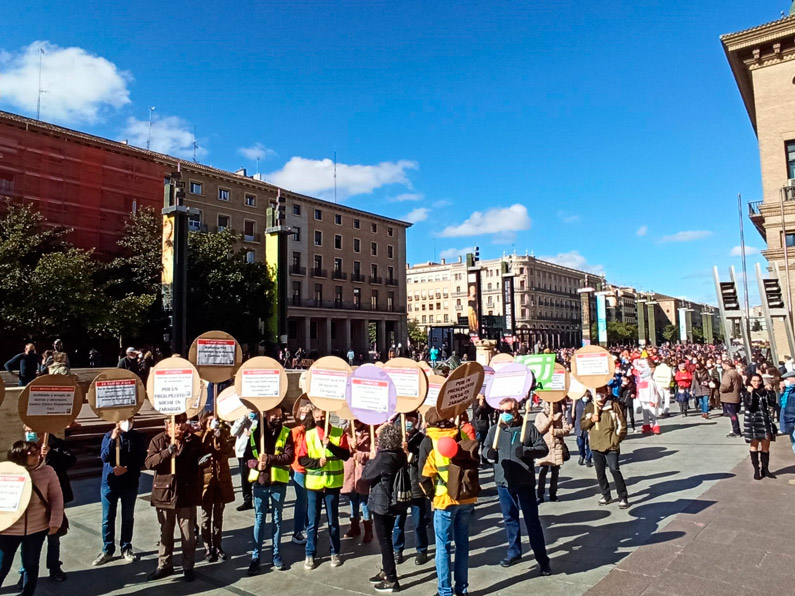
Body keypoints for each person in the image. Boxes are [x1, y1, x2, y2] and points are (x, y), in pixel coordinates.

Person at [483, 398, 552, 575]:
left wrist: (527, 451)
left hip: (524, 482)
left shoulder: (527, 428)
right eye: (502, 410)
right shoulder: (494, 430)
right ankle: (514, 552)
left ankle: (542, 560)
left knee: (532, 522)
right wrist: (488, 453)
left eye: (509, 410)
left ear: (517, 410)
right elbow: (485, 449)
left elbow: (543, 448)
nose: (505, 414)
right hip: (503, 481)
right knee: (510, 519)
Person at [419, 407, 479, 596]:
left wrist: (432, 497)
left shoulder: (429, 441)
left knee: (443, 547)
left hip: (444, 501)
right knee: (462, 545)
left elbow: (423, 477)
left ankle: (445, 591)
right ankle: (462, 589)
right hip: (466, 497)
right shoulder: (460, 433)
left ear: (429, 423)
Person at [145, 414, 204, 582]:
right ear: (167, 425)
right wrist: (167, 452)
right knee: (166, 533)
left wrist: (203, 461)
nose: (179, 426)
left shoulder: (192, 440)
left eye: (182, 422)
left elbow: (202, 457)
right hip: (165, 495)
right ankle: (164, 565)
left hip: (186, 494)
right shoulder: (158, 440)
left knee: (188, 535)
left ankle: (188, 566)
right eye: (175, 422)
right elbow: (149, 463)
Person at [0, 441, 63, 596]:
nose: (37, 456)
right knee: (2, 566)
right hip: (9, 529)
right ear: (19, 455)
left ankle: (27, 593)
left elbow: (56, 498)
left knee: (31, 564)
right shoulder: (6, 472)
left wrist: (55, 522)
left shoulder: (48, 471)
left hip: (37, 528)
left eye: (37, 453)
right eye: (32, 454)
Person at [297, 408, 351, 569]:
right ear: (313, 417)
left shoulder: (338, 433)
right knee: (312, 522)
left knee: (333, 521)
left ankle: (335, 552)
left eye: (323, 415)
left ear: (328, 415)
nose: (320, 418)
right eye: (317, 416)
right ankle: (310, 554)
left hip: (332, 484)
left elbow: (345, 455)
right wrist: (316, 464)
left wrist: (331, 445)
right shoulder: (309, 434)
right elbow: (301, 459)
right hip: (314, 485)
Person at [19, 426, 74, 583]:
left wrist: (51, 453)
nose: (30, 431)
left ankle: (54, 567)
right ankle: (25, 571)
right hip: (30, 502)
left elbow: (71, 460)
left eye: (32, 428)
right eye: (27, 428)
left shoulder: (57, 444)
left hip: (52, 499)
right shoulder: (22, 447)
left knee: (54, 537)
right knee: (27, 540)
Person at [246, 406, 295, 575]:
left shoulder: (286, 432)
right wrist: (256, 464)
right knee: (259, 520)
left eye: (280, 414)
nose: (278, 417)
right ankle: (256, 557)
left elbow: (289, 457)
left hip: (278, 484)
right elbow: (247, 457)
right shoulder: (255, 432)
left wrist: (270, 459)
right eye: (274, 414)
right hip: (260, 483)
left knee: (277, 519)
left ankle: (276, 554)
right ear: (266, 414)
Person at [92, 418, 148, 566]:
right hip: (110, 483)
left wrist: (128, 468)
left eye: (130, 419)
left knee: (128, 517)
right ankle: (107, 549)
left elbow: (142, 458)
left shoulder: (137, 437)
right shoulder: (108, 436)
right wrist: (112, 439)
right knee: (107, 518)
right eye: (124, 420)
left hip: (129, 482)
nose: (128, 422)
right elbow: (104, 456)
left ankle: (126, 547)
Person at [363, 424, 410, 593]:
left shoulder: (383, 457)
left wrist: (370, 458)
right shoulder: (400, 454)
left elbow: (366, 476)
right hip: (395, 502)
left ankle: (391, 578)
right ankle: (386, 569)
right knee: (387, 538)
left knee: (384, 541)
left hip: (382, 504)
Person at [392, 412, 430, 565]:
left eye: (411, 419)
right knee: (398, 522)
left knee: (419, 521)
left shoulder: (422, 439)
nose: (408, 422)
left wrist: (410, 453)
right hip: (400, 485)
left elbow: (423, 461)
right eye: (405, 419)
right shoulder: (395, 438)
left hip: (415, 485)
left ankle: (421, 550)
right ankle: (397, 549)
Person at [580, 388, 629, 509]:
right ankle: (606, 495)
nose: (599, 395)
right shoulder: (589, 407)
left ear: (607, 393)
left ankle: (623, 496)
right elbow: (582, 425)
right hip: (596, 445)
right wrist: (591, 420)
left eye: (602, 392)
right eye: (597, 393)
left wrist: (616, 439)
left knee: (614, 469)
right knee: (600, 472)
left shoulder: (613, 406)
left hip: (611, 445)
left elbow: (622, 425)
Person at [198, 411, 235, 561]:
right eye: (210, 421)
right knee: (206, 517)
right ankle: (207, 547)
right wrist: (208, 433)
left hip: (221, 481)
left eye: (215, 421)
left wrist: (219, 436)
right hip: (206, 482)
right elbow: (201, 449)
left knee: (218, 516)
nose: (213, 423)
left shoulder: (223, 434)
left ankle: (218, 545)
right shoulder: (201, 435)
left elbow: (227, 450)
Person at [342, 420, 373, 543]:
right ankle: (354, 527)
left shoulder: (370, 434)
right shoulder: (346, 434)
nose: (356, 424)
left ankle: (368, 530)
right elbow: (342, 450)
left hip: (362, 472)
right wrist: (350, 445)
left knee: (364, 502)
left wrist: (359, 455)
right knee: (352, 500)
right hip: (350, 473)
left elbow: (373, 453)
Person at [744, 374, 777, 480]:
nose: (756, 383)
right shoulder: (746, 391)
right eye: (754, 381)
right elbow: (750, 405)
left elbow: (772, 403)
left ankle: (765, 469)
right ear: (750, 381)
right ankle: (756, 470)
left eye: (758, 381)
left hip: (765, 421)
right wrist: (750, 392)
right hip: (753, 422)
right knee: (754, 445)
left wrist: (771, 391)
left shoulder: (764, 391)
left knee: (766, 445)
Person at [290, 404, 311, 545]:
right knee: (302, 501)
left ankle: (308, 528)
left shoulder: (313, 431)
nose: (302, 416)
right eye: (302, 413)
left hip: (311, 469)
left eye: (305, 413)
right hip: (299, 469)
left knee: (310, 501)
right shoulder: (296, 431)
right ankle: (297, 531)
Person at [231, 412, 257, 511]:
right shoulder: (241, 417)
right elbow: (233, 432)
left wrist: (252, 432)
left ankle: (263, 502)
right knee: (245, 477)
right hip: (243, 451)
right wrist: (243, 419)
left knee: (258, 477)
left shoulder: (260, 416)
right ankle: (247, 501)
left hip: (256, 451)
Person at [720, 360, 743, 438]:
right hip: (736, 395)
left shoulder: (728, 373)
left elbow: (725, 385)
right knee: (734, 414)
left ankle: (736, 431)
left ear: (726, 365)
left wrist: (721, 389)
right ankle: (736, 430)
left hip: (729, 397)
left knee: (732, 415)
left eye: (722, 364)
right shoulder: (736, 373)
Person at [573, 392, 593, 467]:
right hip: (579, 427)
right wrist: (570, 422)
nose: (586, 397)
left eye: (587, 396)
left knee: (589, 444)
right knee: (580, 443)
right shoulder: (577, 403)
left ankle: (588, 459)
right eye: (584, 396)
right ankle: (582, 455)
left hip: (589, 426)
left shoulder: (591, 404)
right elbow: (570, 413)